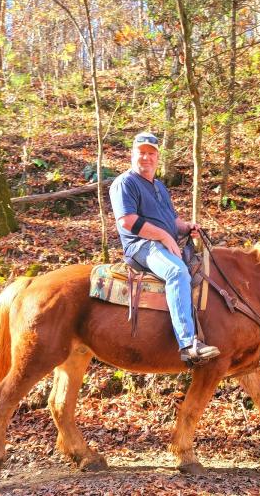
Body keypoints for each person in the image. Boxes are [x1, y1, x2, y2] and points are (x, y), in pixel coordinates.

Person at [109, 132, 220, 364]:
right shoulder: (125, 183)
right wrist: (162, 236)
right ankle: (188, 344)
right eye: (142, 153)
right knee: (176, 272)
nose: (146, 158)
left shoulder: (159, 186)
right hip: (141, 246)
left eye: (151, 153)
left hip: (161, 243)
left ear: (158, 157)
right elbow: (126, 221)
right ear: (133, 154)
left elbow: (172, 221)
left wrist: (186, 226)